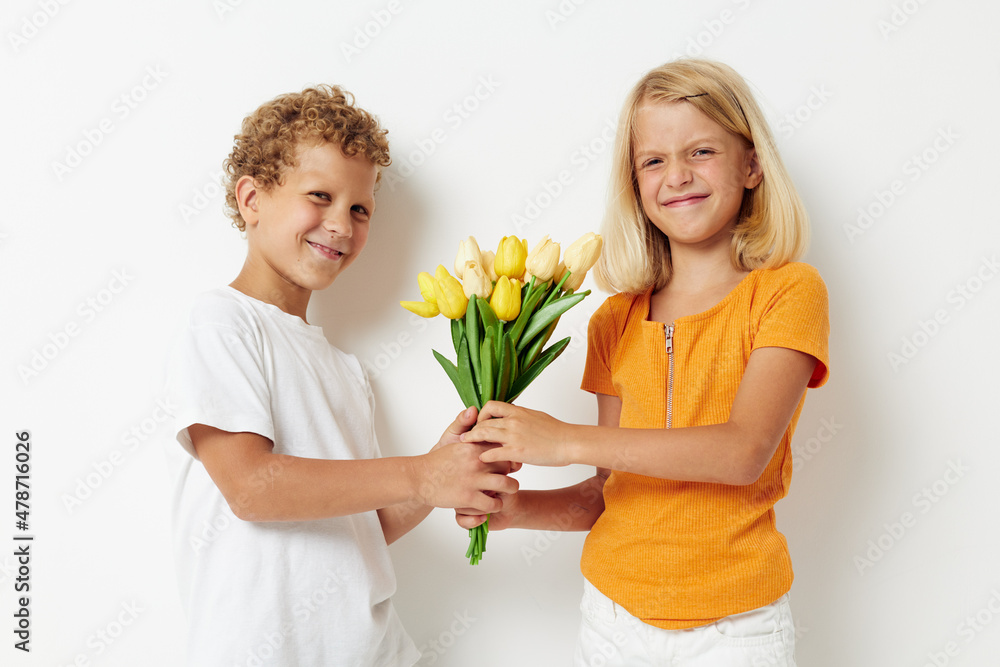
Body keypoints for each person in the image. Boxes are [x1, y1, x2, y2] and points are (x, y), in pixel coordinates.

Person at [459, 59, 829, 666]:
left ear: (752, 165)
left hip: (734, 630)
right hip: (612, 621)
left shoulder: (787, 292)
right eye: (653, 161)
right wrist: (511, 509)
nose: (676, 176)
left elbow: (743, 454)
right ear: (634, 184)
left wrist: (565, 440)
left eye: (702, 151)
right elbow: (608, 493)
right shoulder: (615, 320)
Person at [163, 85, 516, 666]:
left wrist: (444, 473)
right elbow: (250, 487)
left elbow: (360, 529)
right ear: (251, 198)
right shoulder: (221, 322)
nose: (341, 225)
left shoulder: (343, 370)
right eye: (319, 196)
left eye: (359, 209)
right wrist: (420, 475)